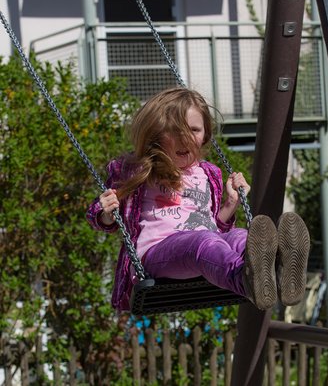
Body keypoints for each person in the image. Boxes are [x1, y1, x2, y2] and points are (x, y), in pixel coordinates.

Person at [86, 87, 310, 312]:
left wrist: (231, 204)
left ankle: (281, 274)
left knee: (241, 237)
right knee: (203, 243)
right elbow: (101, 219)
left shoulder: (208, 173)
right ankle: (246, 280)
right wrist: (105, 212)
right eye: (175, 130)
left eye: (194, 129)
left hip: (203, 244)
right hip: (156, 253)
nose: (185, 138)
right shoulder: (135, 169)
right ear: (156, 134)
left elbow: (213, 225)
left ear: (205, 136)